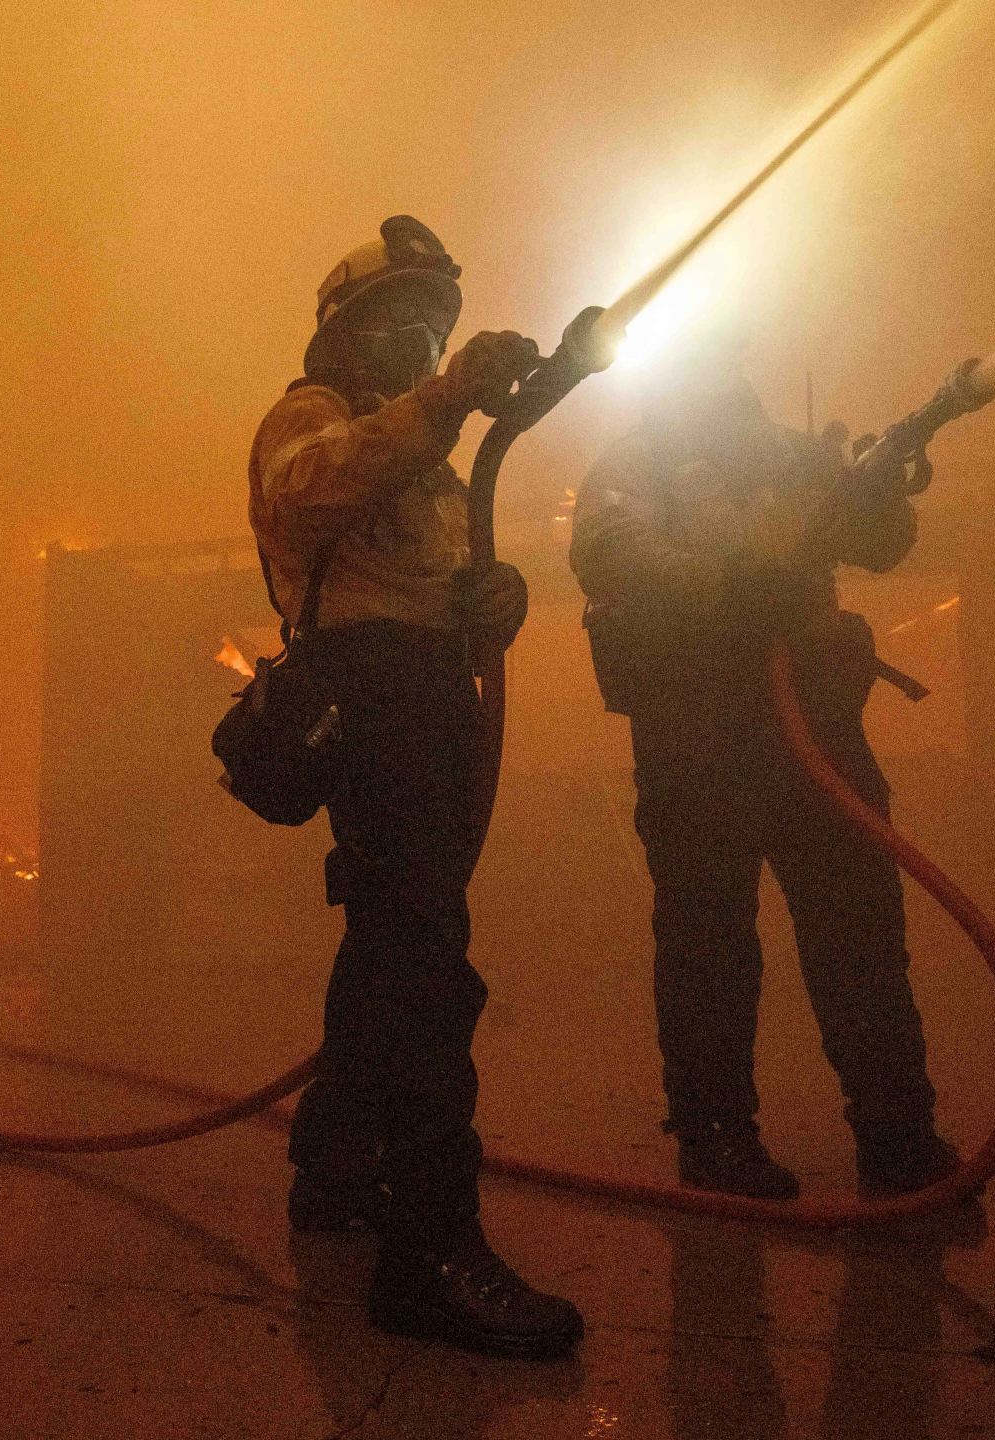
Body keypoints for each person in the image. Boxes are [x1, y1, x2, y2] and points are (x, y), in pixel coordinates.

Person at [249, 215, 582, 1358]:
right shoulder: (315, 418)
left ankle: (335, 1172)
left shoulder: (424, 447)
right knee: (425, 975)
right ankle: (429, 1256)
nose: (420, 342)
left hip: (433, 702)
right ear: (344, 332)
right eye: (399, 323)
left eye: (434, 326)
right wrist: (445, 396)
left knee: (389, 952)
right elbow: (307, 498)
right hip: (373, 702)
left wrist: (497, 598)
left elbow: (440, 567)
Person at [568, 347, 960, 1202]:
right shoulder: (634, 465)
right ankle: (715, 1141)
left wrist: (884, 491)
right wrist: (732, 583)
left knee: (858, 931)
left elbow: (881, 543)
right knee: (708, 943)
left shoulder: (792, 453)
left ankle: (897, 1135)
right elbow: (609, 548)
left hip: (816, 727)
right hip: (696, 736)